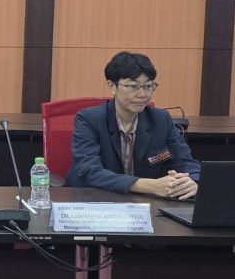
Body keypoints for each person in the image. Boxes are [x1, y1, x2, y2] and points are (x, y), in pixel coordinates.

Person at [68, 51, 200, 199]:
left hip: (144, 203)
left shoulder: (161, 119)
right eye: (133, 86)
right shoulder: (89, 119)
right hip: (96, 199)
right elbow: (89, 171)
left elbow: (185, 161)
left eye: (148, 86)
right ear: (112, 86)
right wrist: (149, 186)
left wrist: (193, 181)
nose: (143, 94)